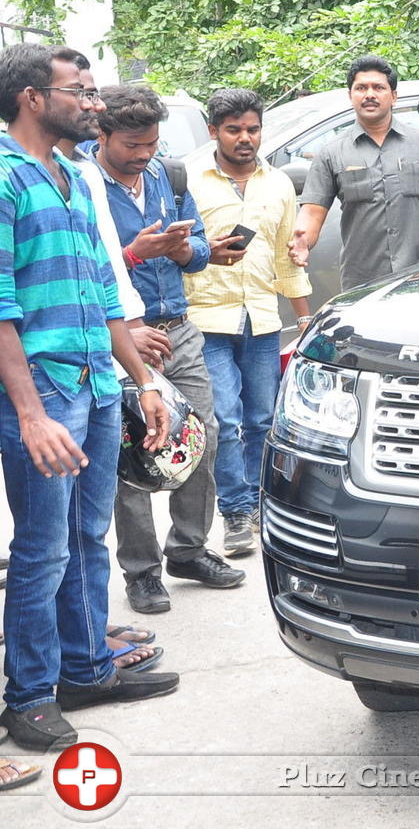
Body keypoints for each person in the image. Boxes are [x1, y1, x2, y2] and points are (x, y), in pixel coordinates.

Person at [0, 44, 177, 755]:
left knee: (85, 540)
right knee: (42, 551)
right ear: (33, 98)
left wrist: (142, 381)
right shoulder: (6, 178)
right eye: (81, 90)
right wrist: (31, 414)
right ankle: (30, 694)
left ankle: (86, 668)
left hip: (98, 387)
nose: (94, 103)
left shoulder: (72, 175)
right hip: (44, 391)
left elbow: (105, 292)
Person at [94, 85, 245, 613]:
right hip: (124, 334)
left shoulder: (168, 175)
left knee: (204, 433)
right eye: (132, 145)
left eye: (152, 144)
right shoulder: (85, 186)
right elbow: (91, 273)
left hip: (178, 327)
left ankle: (188, 548)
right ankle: (140, 570)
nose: (143, 155)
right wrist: (134, 255)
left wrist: (187, 249)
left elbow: (201, 251)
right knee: (136, 447)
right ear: (103, 135)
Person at [187, 88, 313, 557]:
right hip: (205, 317)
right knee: (222, 419)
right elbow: (179, 252)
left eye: (253, 129)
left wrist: (304, 321)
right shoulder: (190, 181)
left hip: (260, 319)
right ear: (214, 131)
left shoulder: (278, 183)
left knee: (262, 418)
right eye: (234, 129)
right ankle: (236, 513)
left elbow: (288, 260)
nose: (245, 138)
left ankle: (260, 506)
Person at [290, 55, 419, 288]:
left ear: (393, 96)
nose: (369, 94)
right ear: (350, 96)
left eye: (378, 87)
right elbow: (313, 212)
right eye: (361, 88)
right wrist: (303, 241)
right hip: (361, 283)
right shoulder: (331, 152)